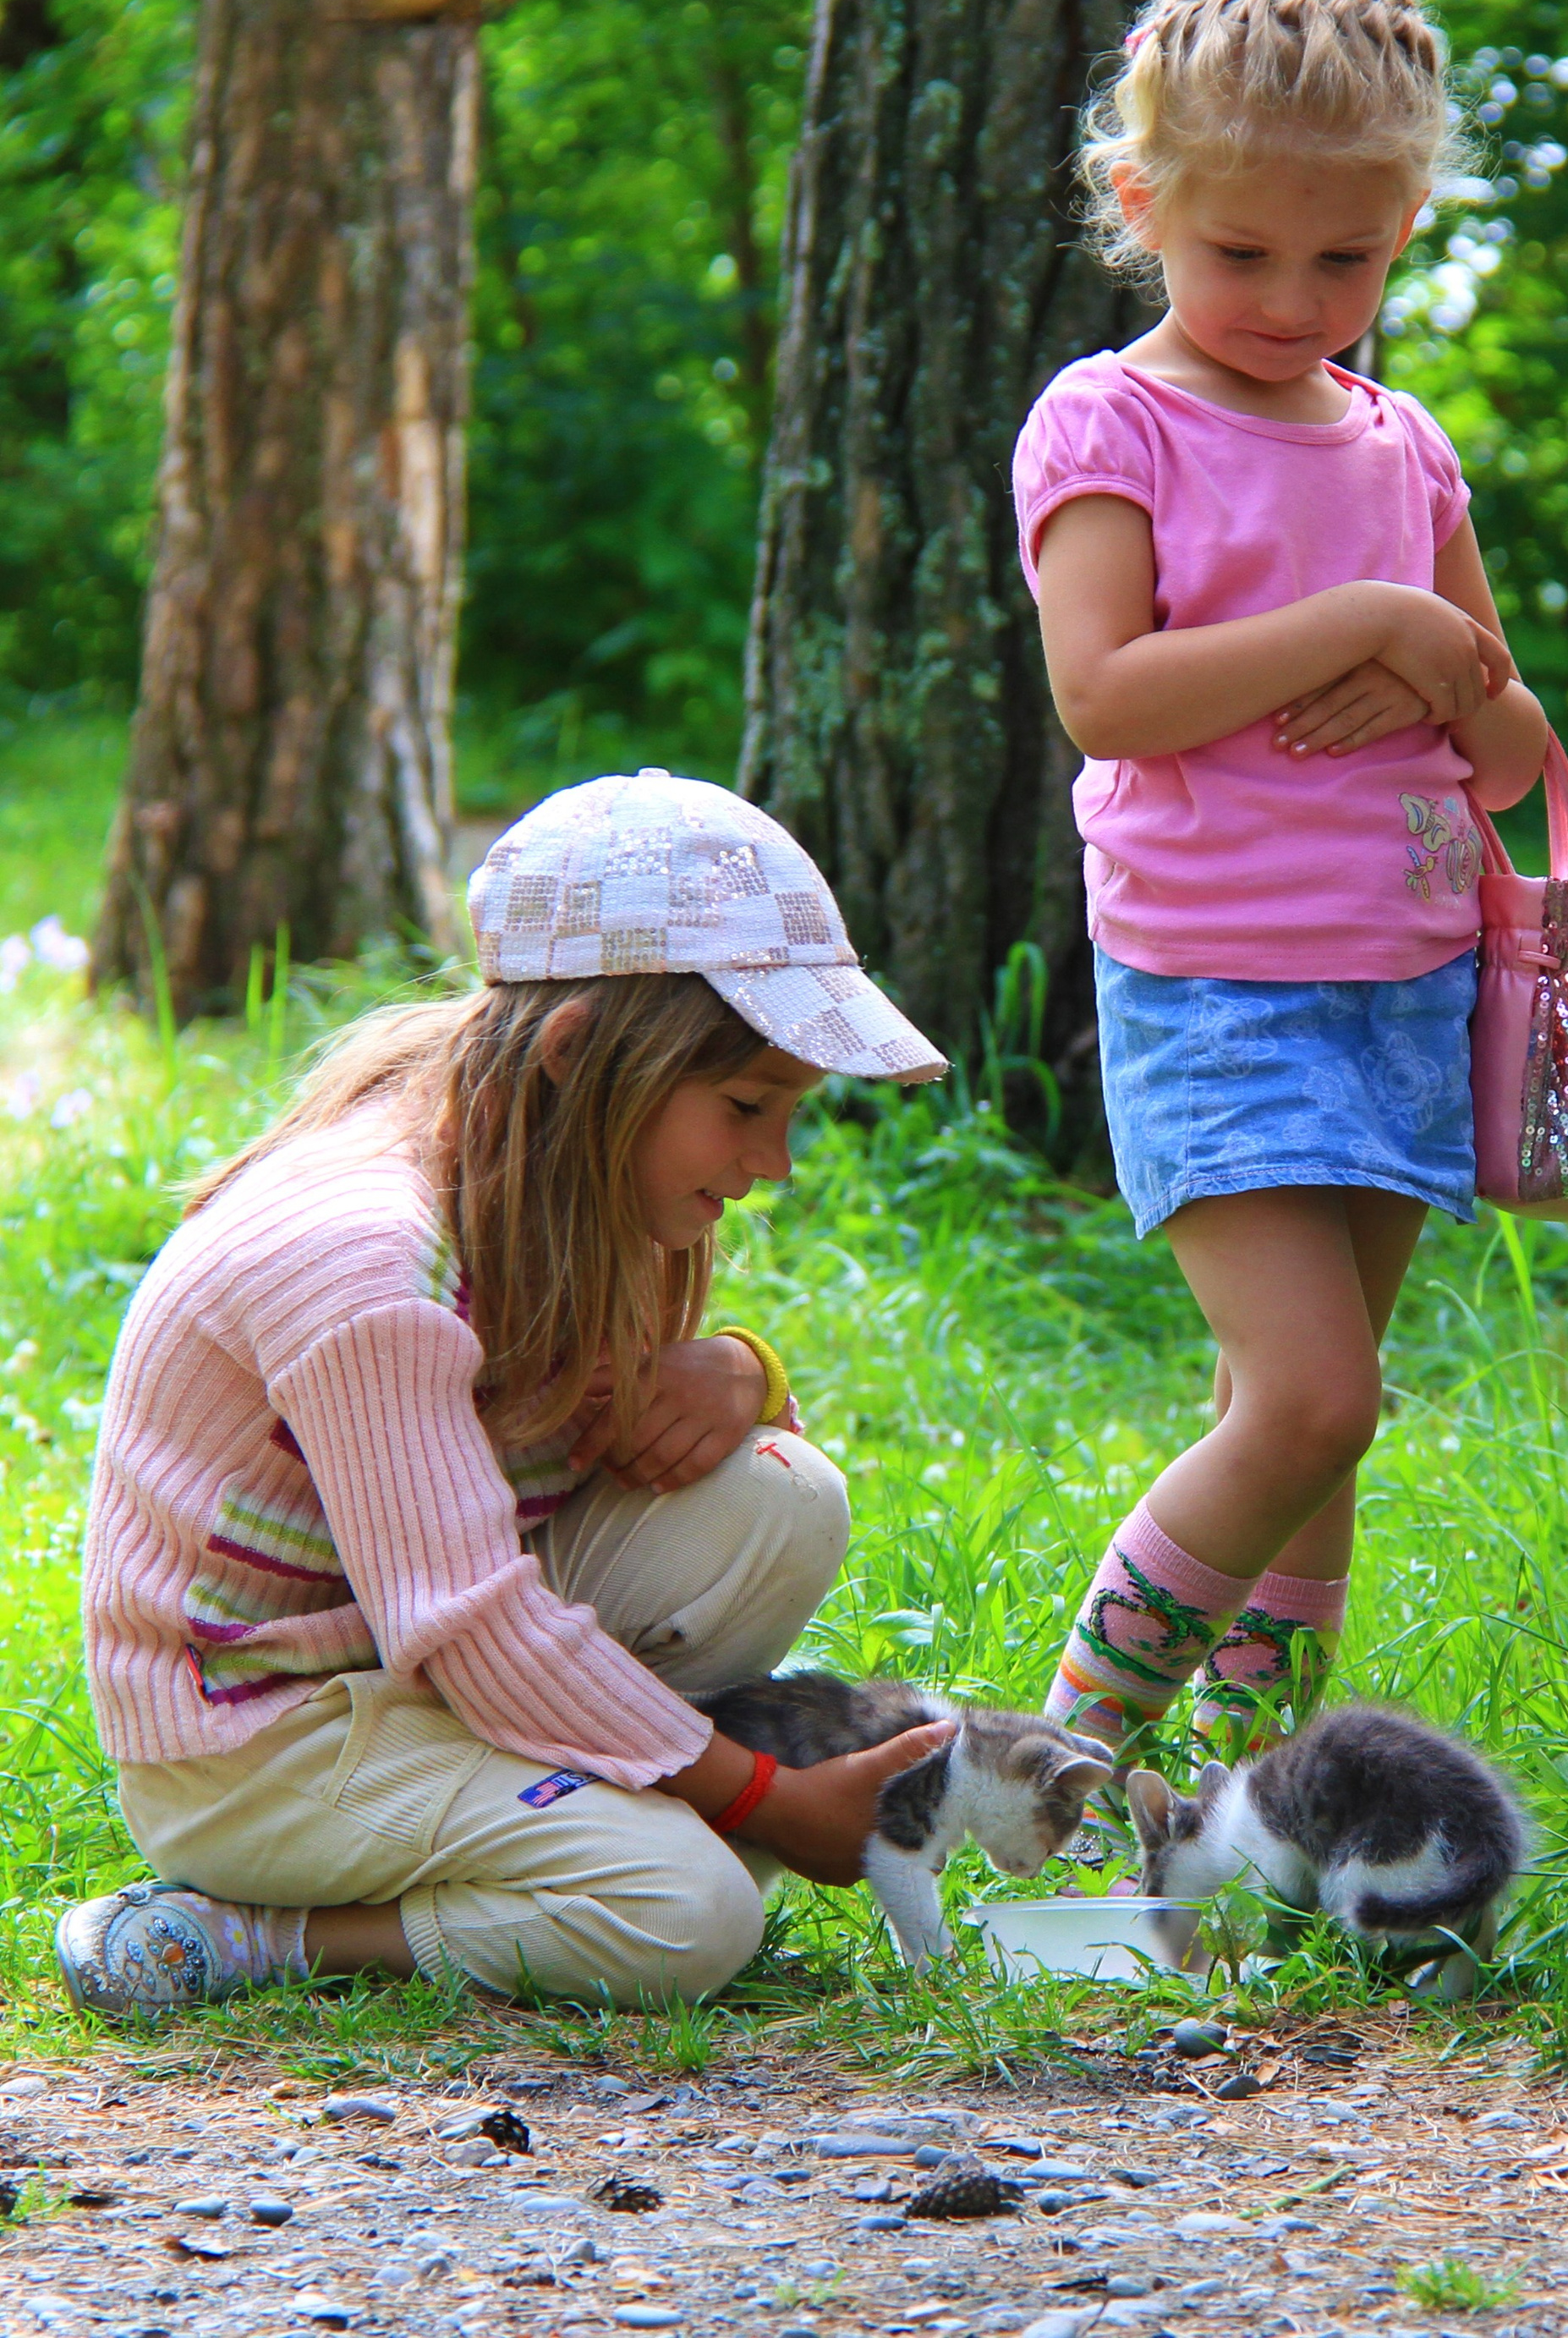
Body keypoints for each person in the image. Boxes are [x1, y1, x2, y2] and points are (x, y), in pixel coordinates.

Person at [58, 770, 953, 2017]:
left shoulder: (571, 1174)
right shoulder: (368, 1265)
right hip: (263, 1743)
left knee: (782, 1498)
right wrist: (761, 1795)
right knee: (690, 1913)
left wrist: (742, 1373)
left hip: (415, 1666)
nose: (771, 1166)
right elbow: (471, 1625)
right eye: (747, 1108)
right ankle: (256, 1933)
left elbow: (606, 1450)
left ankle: (588, 1802)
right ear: (581, 1055)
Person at [1016, 0, 1551, 1763]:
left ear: (1407, 220)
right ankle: (1054, 1768)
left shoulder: (1400, 446)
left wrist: (1448, 673)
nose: (1296, 298)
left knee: (1317, 1404)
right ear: (1137, 197)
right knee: (1310, 1399)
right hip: (1218, 981)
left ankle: (1262, 1794)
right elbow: (1104, 692)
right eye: (1242, 249)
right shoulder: (1113, 420)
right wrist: (1366, 630)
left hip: (1405, 977)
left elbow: (1507, 747)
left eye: (1349, 253)